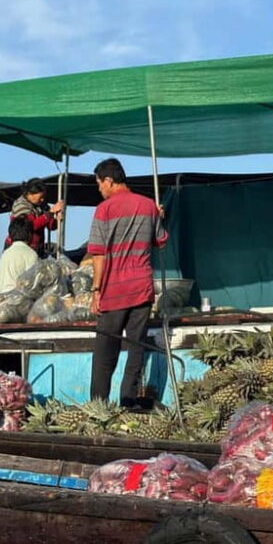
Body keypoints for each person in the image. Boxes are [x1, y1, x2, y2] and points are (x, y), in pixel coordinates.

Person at [88, 158, 168, 408]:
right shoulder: (148, 206)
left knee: (104, 353)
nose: (99, 189)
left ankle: (98, 406)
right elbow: (161, 240)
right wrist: (159, 216)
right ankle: (128, 402)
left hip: (113, 291)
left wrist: (95, 290)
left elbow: (98, 254)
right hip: (141, 288)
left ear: (109, 181)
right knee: (136, 349)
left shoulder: (104, 209)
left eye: (100, 184)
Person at [4, 177, 64, 257]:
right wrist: (50, 213)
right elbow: (31, 226)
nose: (42, 200)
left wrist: (56, 217)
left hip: (37, 249)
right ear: (30, 193)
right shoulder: (21, 206)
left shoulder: (42, 206)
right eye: (40, 197)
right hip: (21, 249)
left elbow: (50, 226)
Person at [0, 216, 38, 292]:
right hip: (20, 301)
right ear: (29, 234)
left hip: (2, 299)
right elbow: (32, 285)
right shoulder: (31, 254)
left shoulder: (4, 255)